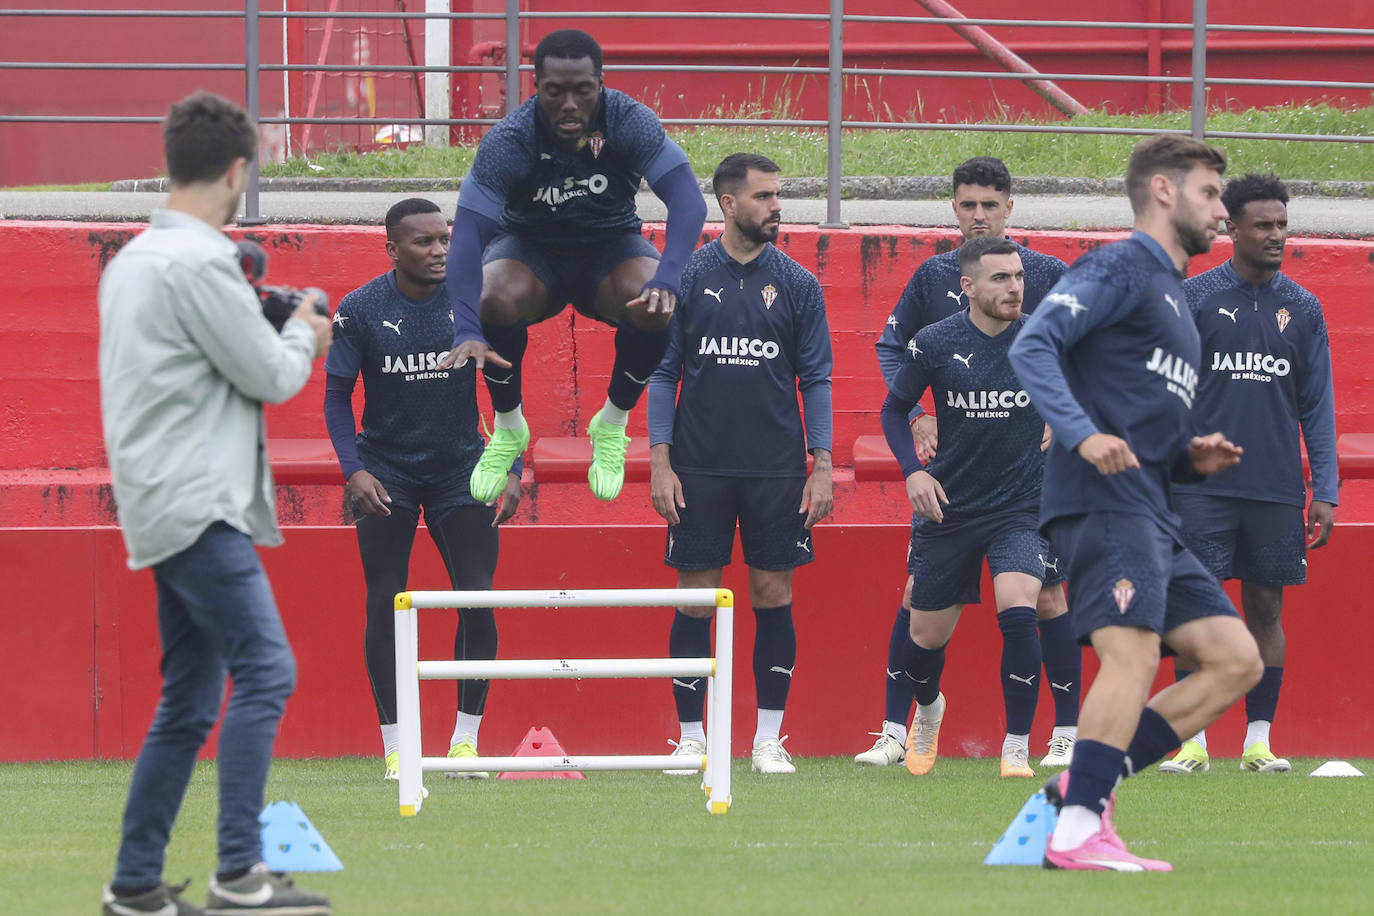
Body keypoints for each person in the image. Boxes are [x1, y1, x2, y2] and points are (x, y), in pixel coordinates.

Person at [98, 91, 331, 915]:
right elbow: (270, 376)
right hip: (200, 499)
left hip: (157, 499)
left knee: (189, 701)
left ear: (172, 161)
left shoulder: (131, 260)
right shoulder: (200, 264)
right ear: (238, 170)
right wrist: (302, 328)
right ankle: (240, 873)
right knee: (266, 671)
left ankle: (133, 884)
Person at [1008, 134, 1264, 872]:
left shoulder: (1177, 299)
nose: (1223, 210)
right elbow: (1034, 345)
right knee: (1134, 651)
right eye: (1211, 193)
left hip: (1152, 508)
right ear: (1162, 191)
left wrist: (1191, 455)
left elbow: (1143, 412)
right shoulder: (1122, 265)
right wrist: (1083, 436)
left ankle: (1082, 790)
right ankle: (1078, 828)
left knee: (1234, 661)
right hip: (1102, 501)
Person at [864, 156, 1080, 771]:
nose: (980, 216)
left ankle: (1048, 737)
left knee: (1038, 601)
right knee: (922, 618)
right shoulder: (935, 282)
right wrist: (917, 420)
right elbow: (895, 365)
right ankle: (905, 722)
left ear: (1011, 205)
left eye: (991, 204)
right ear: (953, 209)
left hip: (1026, 493)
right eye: (968, 205)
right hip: (954, 489)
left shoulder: (1050, 281)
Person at [441, 28, 707, 503]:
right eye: (554, 91)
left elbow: (688, 201)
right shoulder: (511, 139)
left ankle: (612, 423)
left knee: (654, 301)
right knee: (491, 298)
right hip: (530, 251)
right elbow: (464, 240)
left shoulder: (629, 120)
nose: (569, 103)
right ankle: (508, 428)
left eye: (582, 90)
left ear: (600, 85)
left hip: (609, 249)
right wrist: (466, 328)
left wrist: (668, 277)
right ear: (535, 86)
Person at [323, 198, 522, 782]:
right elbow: (336, 397)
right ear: (392, 250)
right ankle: (395, 746)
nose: (439, 251)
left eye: (445, 240)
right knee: (385, 599)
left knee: (477, 599)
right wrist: (352, 469)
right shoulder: (360, 308)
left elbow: (507, 391)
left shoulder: (476, 299)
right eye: (424, 242)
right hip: (386, 473)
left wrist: (511, 464)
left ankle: (465, 744)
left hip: (463, 470)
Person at [648, 153, 833, 776]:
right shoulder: (687, 275)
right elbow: (663, 372)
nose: (776, 205)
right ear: (729, 204)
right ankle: (693, 739)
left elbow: (818, 380)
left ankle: (768, 740)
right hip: (698, 469)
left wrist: (823, 464)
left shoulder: (800, 284)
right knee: (696, 600)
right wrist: (659, 461)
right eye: (763, 197)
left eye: (779, 195)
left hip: (778, 470)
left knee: (772, 592)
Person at [1158, 174, 1337, 775]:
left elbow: (1317, 404)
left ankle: (1258, 743)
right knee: (1196, 612)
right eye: (1263, 225)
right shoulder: (1195, 296)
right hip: (1200, 489)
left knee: (1265, 611)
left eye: (1282, 224)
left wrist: (1326, 491)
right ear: (1229, 228)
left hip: (1275, 487)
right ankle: (1193, 743)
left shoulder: (1305, 307)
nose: (1275, 235)